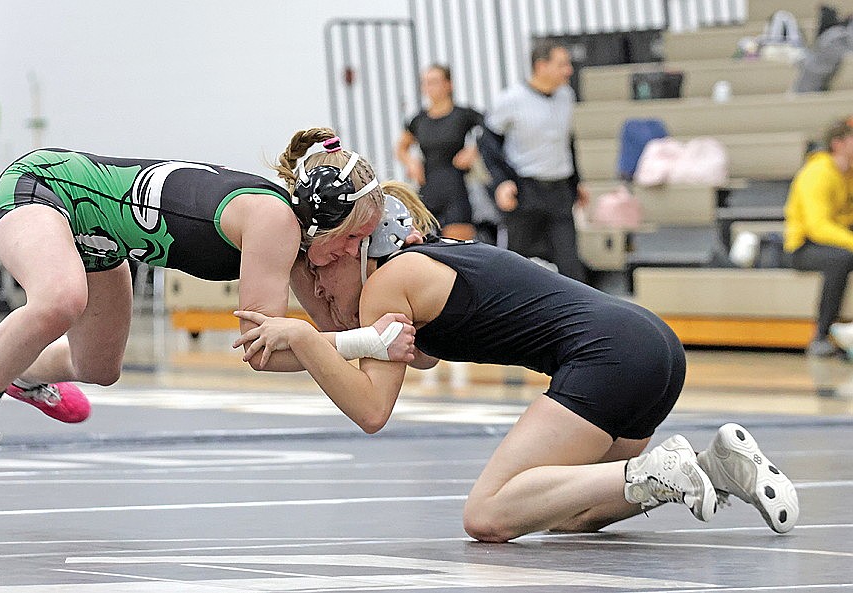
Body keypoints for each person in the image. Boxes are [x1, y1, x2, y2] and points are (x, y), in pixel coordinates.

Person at [234, 191, 799, 541]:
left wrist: (304, 337)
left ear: (359, 246)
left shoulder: (389, 283)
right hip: (650, 344)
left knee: (488, 515)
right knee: (563, 512)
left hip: (608, 354)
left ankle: (661, 468)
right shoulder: (427, 264)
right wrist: (315, 338)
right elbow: (397, 353)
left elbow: (371, 408)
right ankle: (715, 467)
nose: (322, 289)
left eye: (321, 271)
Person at [0, 130, 415, 509]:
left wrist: (411, 271)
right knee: (60, 299)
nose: (355, 251)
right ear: (321, 223)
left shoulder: (300, 236)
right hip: (45, 187)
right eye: (354, 238)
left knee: (99, 367)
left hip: (103, 240)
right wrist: (366, 344)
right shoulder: (275, 224)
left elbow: (330, 334)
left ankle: (22, 372)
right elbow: (264, 351)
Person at [480, 39, 589, 283]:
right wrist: (501, 182)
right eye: (562, 64)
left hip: (560, 192)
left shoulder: (566, 96)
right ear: (541, 66)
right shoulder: (511, 99)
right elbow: (487, 142)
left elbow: (566, 142)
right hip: (525, 192)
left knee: (571, 266)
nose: (569, 70)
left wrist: (576, 182)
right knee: (517, 267)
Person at [784, 120, 853, 357]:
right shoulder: (817, 173)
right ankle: (821, 336)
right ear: (838, 144)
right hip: (803, 246)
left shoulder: (849, 174)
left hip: (838, 237)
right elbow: (818, 227)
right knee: (841, 259)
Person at [395, 64, 484, 241]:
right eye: (426, 83)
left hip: (456, 188)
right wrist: (411, 162)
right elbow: (401, 148)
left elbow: (490, 131)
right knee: (424, 247)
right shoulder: (419, 120)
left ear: (448, 84)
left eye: (434, 81)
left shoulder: (463, 115)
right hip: (427, 189)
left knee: (458, 247)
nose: (430, 87)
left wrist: (473, 150)